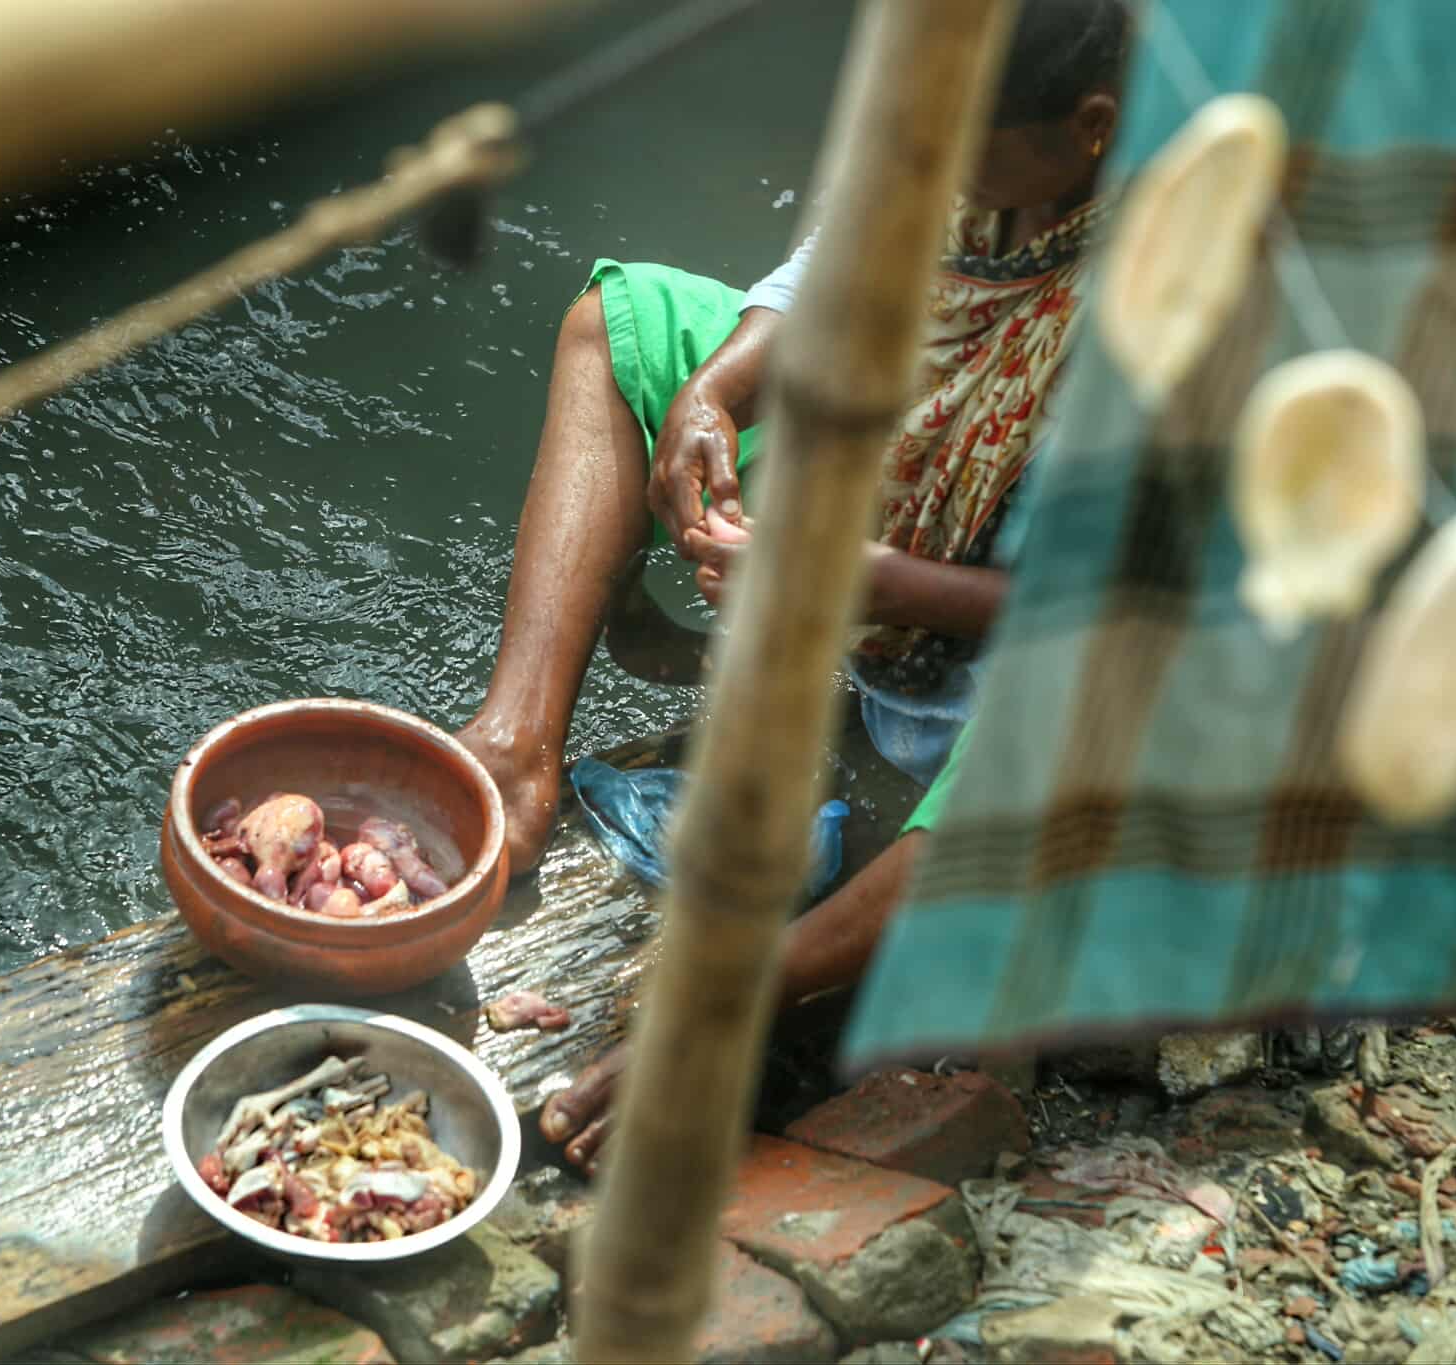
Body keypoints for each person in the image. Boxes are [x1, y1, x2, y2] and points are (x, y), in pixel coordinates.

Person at [454, 0, 1131, 1173]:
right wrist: (712, 393)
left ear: (1093, 128)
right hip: (912, 500)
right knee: (619, 327)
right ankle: (514, 747)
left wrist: (859, 581)